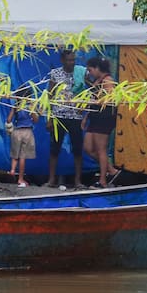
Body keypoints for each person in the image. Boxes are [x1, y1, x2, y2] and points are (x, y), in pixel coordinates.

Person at [45, 49, 87, 189]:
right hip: (59, 115)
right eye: (69, 60)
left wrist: (84, 104)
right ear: (62, 60)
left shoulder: (80, 72)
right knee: (54, 148)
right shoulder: (55, 74)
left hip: (75, 116)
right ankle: (51, 180)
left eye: (73, 60)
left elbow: (88, 90)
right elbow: (50, 96)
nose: (71, 62)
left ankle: (77, 181)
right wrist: (49, 117)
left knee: (77, 149)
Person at [82, 56, 121, 189]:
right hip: (94, 116)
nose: (90, 73)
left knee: (101, 149)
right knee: (88, 148)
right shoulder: (97, 80)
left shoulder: (108, 80)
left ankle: (103, 180)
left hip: (104, 117)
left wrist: (96, 101)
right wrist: (86, 116)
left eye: (91, 70)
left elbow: (111, 98)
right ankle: (112, 170)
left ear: (98, 68)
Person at [6, 88, 39, 188]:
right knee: (22, 156)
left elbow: (8, 120)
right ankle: (20, 179)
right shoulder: (30, 106)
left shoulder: (16, 106)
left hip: (16, 132)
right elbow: (36, 120)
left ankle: (12, 170)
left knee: (15, 155)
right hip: (27, 132)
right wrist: (33, 110)